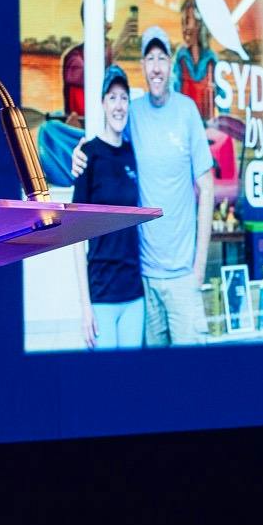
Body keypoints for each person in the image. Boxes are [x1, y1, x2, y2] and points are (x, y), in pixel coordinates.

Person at [129, 26, 214, 346]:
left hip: (183, 278)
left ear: (171, 64)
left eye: (161, 58)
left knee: (193, 381)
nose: (155, 67)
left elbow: (207, 187)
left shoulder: (187, 111)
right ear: (142, 66)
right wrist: (81, 151)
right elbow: (105, 145)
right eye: (149, 59)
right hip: (145, 277)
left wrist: (199, 268)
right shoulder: (132, 113)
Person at [73, 64, 144, 349]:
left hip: (133, 294)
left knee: (132, 384)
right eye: (112, 97)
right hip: (101, 293)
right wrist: (85, 306)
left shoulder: (132, 153)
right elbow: (75, 237)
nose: (119, 105)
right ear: (103, 103)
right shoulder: (88, 155)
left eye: (124, 98)